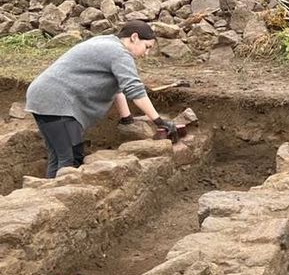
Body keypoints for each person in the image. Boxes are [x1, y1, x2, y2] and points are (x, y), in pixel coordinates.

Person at [24, 21, 178, 177]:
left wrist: (127, 118)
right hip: (56, 101)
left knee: (59, 157)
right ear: (134, 37)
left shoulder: (108, 42)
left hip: (42, 97)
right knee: (68, 159)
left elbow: (118, 87)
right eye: (147, 47)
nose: (146, 54)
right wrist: (159, 121)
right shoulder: (119, 53)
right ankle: (56, 197)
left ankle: (51, 191)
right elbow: (134, 89)